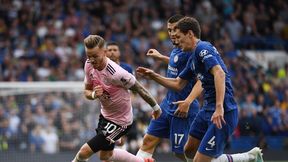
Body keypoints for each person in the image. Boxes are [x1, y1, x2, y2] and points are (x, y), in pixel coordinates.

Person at [137, 17, 263, 162]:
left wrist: (219, 107)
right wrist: (153, 76)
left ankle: (246, 158)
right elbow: (178, 83)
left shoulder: (203, 49)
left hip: (224, 111)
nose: (176, 41)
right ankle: (248, 157)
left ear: (190, 34)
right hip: (206, 109)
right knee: (188, 151)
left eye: (179, 37)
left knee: (198, 160)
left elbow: (219, 73)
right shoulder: (193, 58)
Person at [71, 35, 161, 162]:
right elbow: (86, 91)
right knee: (105, 156)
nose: (92, 60)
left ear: (104, 52)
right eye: (88, 56)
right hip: (105, 116)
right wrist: (93, 95)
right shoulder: (88, 65)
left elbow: (140, 89)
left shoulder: (117, 73)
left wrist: (156, 107)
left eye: (95, 56)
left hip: (120, 122)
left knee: (83, 153)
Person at [135, 14, 200, 162]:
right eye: (169, 30)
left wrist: (188, 101)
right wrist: (161, 58)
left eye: (175, 29)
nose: (172, 34)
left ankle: (237, 158)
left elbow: (197, 80)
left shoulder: (191, 50)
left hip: (181, 108)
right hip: (167, 104)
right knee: (148, 140)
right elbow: (177, 62)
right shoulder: (177, 48)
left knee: (182, 153)